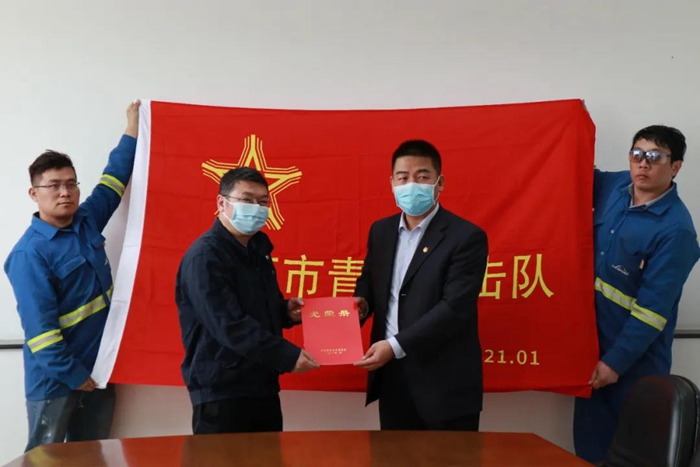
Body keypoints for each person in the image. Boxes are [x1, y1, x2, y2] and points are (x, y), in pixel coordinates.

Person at [4, 100, 141, 452]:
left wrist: (133, 126)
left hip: (100, 370)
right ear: (34, 194)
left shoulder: (86, 221)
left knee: (92, 455)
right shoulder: (29, 254)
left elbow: (113, 180)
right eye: (54, 186)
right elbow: (41, 333)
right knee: (45, 459)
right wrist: (74, 376)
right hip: (56, 381)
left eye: (70, 184)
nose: (64, 192)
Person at [574, 125, 700, 462]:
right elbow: (572, 175)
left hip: (633, 365)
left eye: (655, 157)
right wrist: (567, 129)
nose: (643, 164)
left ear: (675, 167)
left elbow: (652, 311)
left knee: (633, 455)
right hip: (591, 352)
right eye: (637, 154)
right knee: (588, 452)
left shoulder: (677, 231)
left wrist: (614, 363)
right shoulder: (615, 186)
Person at [353, 139, 488, 431]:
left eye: (422, 176)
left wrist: (395, 345)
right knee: (393, 454)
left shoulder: (466, 237)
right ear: (392, 183)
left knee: (450, 455)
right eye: (403, 177)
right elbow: (369, 284)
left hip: (444, 383)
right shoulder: (381, 231)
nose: (411, 184)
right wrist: (361, 304)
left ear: (440, 183)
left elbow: (455, 308)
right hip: (392, 377)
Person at [175, 167, 320, 434]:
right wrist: (286, 356)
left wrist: (284, 311)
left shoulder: (258, 249)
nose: (256, 208)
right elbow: (228, 324)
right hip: (222, 392)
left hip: (262, 385)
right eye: (247, 199)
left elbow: (254, 308)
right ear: (221, 203)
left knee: (270, 456)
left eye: (263, 202)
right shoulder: (206, 256)